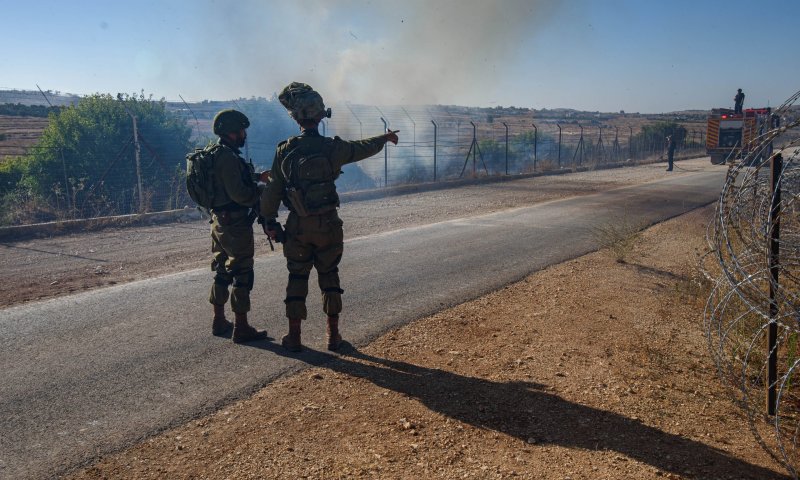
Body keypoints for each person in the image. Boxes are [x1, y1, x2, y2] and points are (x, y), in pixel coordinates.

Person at [260, 82, 398, 352]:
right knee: (330, 276)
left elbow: (273, 191)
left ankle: (295, 337)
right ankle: (333, 337)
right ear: (321, 116)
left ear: (296, 117)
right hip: (328, 225)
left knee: (297, 277)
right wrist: (384, 138)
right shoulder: (332, 148)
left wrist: (269, 222)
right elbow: (361, 148)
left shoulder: (284, 150)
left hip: (299, 226)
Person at [207, 109, 269, 343]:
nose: (244, 134)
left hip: (219, 222)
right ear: (231, 132)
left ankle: (219, 320)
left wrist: (255, 177)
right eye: (241, 130)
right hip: (235, 224)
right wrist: (260, 191)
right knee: (242, 273)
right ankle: (241, 327)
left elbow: (226, 183)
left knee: (222, 269)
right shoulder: (228, 158)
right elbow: (240, 194)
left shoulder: (215, 153)